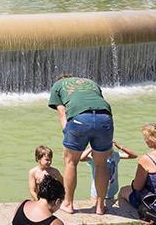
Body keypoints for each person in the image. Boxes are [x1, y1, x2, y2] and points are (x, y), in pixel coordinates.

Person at [48, 75, 113, 215]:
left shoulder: (58, 85)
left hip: (79, 119)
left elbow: (62, 112)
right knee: (101, 164)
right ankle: (100, 206)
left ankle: (68, 204)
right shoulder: (91, 82)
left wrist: (68, 131)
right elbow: (98, 102)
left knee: (71, 162)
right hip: (105, 117)